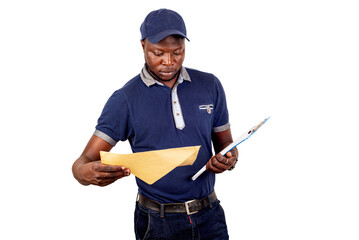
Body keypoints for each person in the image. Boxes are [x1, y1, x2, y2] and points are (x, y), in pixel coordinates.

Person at [72, 8, 238, 240]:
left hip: (210, 217)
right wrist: (84, 173)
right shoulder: (125, 99)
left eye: (177, 53)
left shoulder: (210, 86)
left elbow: (227, 145)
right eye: (158, 53)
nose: (169, 62)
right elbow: (83, 162)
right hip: (157, 223)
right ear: (143, 46)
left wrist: (228, 159)